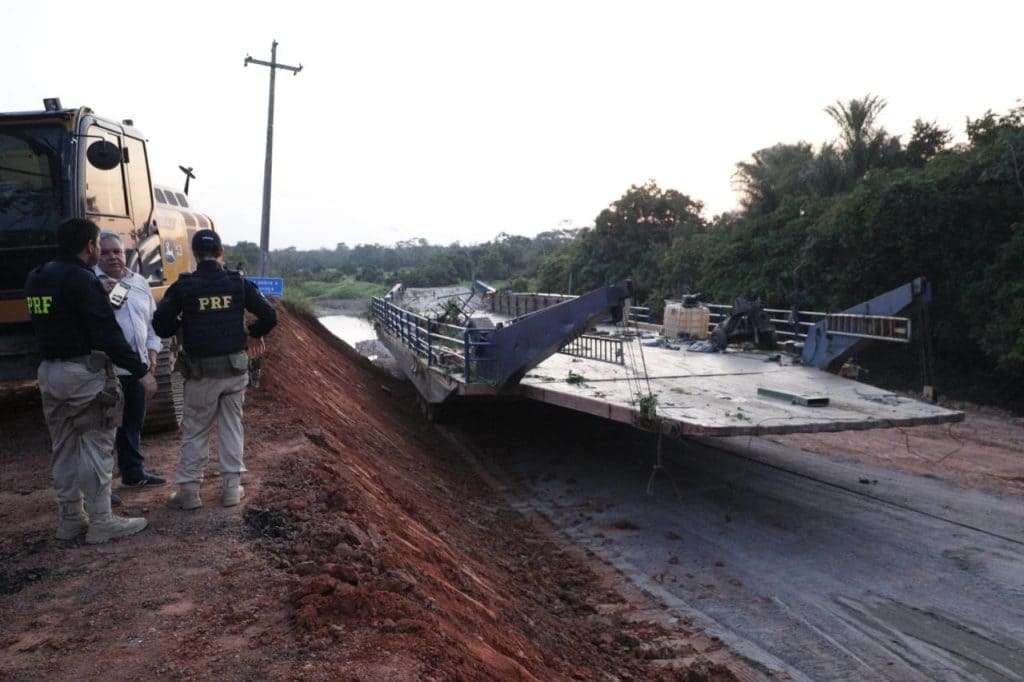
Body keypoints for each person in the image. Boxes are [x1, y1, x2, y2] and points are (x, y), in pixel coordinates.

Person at [25, 218, 155, 543]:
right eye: (99, 245)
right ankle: (102, 521)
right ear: (89, 247)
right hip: (83, 375)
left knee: (64, 448)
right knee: (97, 447)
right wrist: (141, 372)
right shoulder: (82, 279)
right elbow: (107, 333)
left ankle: (70, 519)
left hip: (49, 373)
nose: (102, 251)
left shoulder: (36, 277)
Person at [153, 229, 277, 509]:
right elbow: (269, 315)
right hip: (234, 372)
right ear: (220, 252)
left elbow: (160, 324)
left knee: (195, 430)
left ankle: (189, 493)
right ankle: (232, 490)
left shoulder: (183, 286)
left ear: (195, 254)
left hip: (200, 375)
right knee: (232, 427)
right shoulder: (237, 282)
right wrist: (254, 333)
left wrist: (181, 326)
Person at [95, 231, 166, 487]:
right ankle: (100, 488)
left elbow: (151, 322)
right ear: (95, 253)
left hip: (138, 368)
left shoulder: (139, 281)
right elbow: (108, 314)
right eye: (105, 252)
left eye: (118, 251)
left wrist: (154, 351)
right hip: (108, 370)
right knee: (104, 430)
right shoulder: (91, 283)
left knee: (133, 424)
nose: (113, 257)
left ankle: (133, 474)